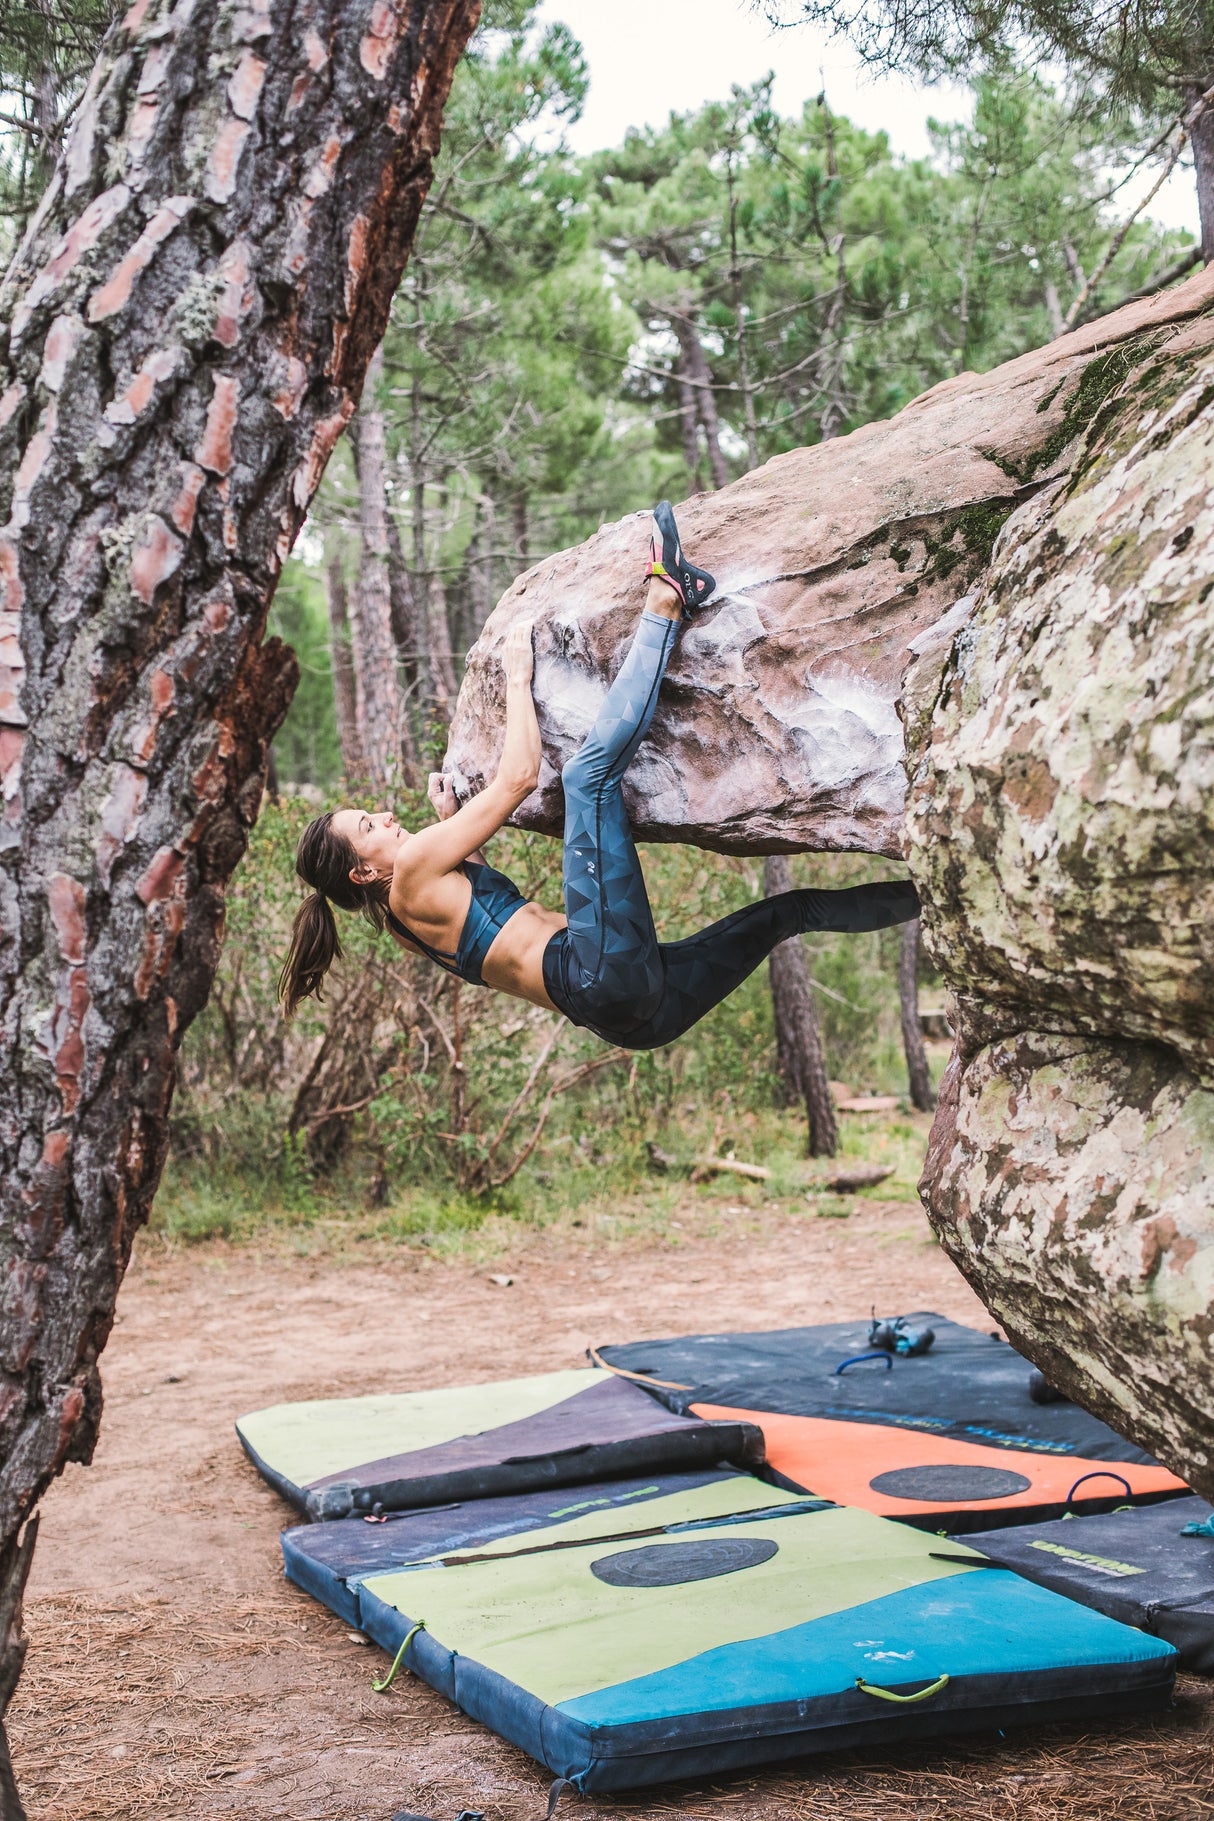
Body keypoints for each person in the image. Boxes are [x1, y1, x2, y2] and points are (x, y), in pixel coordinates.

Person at [278, 502, 919, 1046]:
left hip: (634, 1017)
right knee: (588, 778)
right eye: (369, 826)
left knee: (792, 912)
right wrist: (519, 677)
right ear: (364, 869)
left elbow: (486, 922)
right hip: (602, 974)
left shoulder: (401, 920)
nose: (386, 818)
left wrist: (450, 822)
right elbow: (519, 779)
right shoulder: (412, 869)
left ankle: (934, 899)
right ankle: (669, 596)